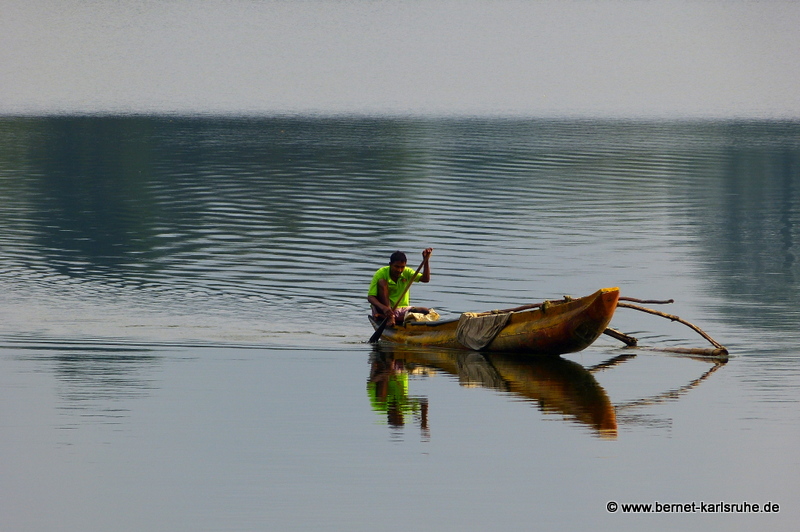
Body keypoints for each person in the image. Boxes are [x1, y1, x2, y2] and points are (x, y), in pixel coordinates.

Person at [367, 248, 433, 326]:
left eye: (402, 267)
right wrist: (384, 308)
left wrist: (426, 260)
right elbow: (371, 297)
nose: (399, 270)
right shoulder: (381, 273)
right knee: (382, 282)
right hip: (384, 309)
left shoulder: (407, 272)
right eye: (396, 267)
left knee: (425, 311)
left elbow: (425, 279)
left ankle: (385, 317)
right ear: (390, 264)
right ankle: (389, 317)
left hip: (402, 309)